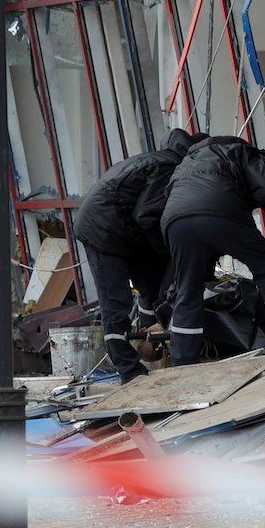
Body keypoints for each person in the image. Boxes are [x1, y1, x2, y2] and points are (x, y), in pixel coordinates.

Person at [161, 135, 265, 366]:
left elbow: (172, 197)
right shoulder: (238, 150)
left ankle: (182, 364)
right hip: (219, 211)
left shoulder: (185, 165)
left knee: (188, 292)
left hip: (175, 223)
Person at [75, 129, 207, 383]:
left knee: (151, 284)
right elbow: (147, 215)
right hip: (104, 230)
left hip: (113, 227)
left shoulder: (153, 160)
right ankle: (129, 369)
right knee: (116, 302)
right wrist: (165, 247)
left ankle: (151, 332)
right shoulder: (168, 168)